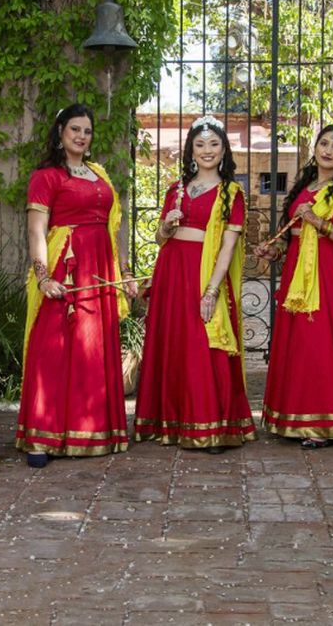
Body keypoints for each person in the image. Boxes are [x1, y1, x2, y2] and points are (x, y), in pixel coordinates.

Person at [18, 103, 138, 467]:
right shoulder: (47, 176)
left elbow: (112, 227)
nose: (82, 137)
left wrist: (124, 272)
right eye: (75, 130)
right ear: (60, 132)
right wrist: (43, 276)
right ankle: (43, 436)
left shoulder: (98, 173)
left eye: (87, 131)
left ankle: (95, 430)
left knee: (92, 347)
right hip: (65, 266)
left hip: (99, 269)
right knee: (53, 347)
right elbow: (36, 229)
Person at [134, 116, 255, 451]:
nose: (207, 151)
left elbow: (228, 246)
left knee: (204, 343)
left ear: (224, 150)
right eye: (200, 145)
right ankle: (170, 423)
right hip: (172, 270)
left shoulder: (232, 193)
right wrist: (167, 227)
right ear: (191, 149)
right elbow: (160, 239)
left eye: (214, 144)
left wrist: (212, 289)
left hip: (204, 273)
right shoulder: (175, 190)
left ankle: (210, 426)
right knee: (173, 342)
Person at [258, 125, 333, 448]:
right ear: (315, 147)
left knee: (320, 344)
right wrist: (274, 250)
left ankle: (325, 424)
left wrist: (319, 222)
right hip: (296, 272)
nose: (328, 150)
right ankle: (292, 419)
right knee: (296, 344)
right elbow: (291, 234)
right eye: (324, 143)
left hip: (327, 275)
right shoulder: (303, 187)